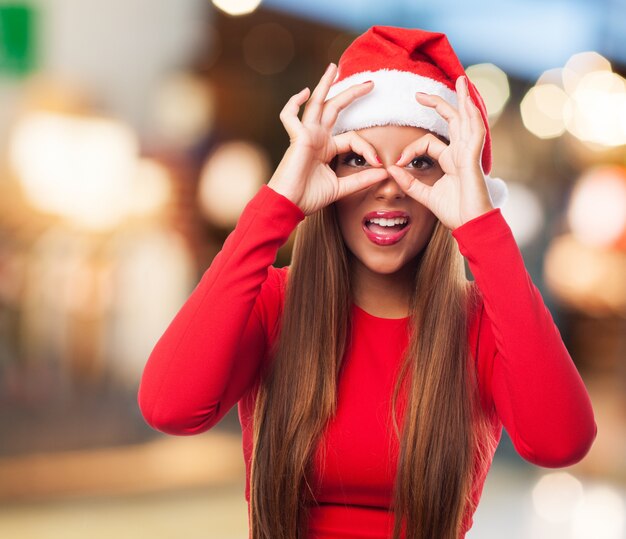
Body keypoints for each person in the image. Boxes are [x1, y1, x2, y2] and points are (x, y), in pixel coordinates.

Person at [138, 25, 597, 539]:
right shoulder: (274, 304)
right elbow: (168, 408)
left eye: (420, 162)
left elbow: (561, 442)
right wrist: (276, 206)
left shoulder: (480, 326)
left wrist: (480, 226)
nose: (386, 187)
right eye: (357, 159)